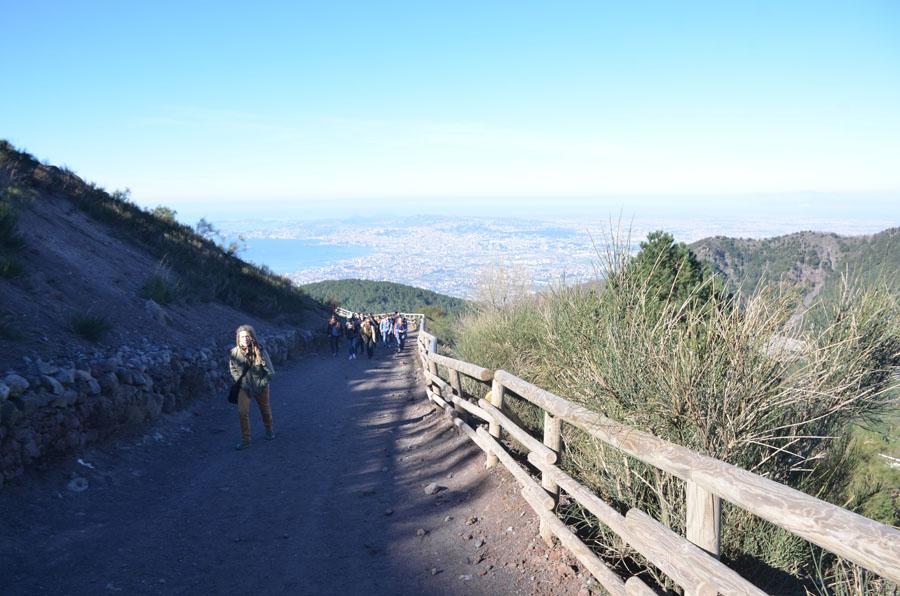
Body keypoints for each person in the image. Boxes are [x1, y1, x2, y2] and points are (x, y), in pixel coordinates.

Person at [229, 325, 275, 450]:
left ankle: (269, 430)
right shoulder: (234, 352)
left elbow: (270, 371)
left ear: (252, 337)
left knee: (265, 409)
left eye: (247, 336)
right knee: (242, 412)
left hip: (261, 386)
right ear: (238, 338)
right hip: (244, 387)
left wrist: (261, 383)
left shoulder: (260, 350)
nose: (244, 339)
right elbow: (233, 369)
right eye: (242, 337)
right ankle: (246, 440)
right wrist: (241, 382)